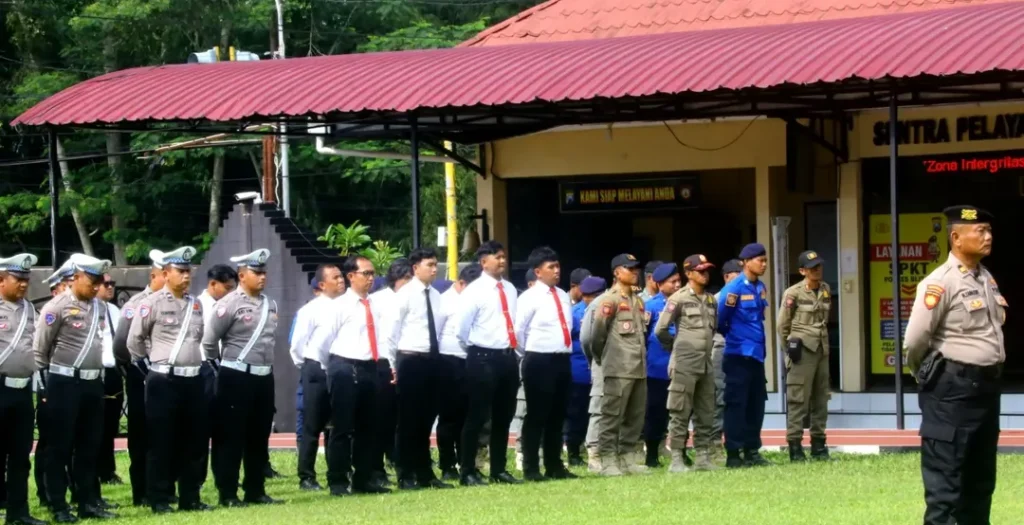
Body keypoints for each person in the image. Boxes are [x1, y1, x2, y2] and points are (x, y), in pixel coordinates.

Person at [904, 205, 1005, 525]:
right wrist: (926, 374)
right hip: (952, 391)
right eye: (980, 231)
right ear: (956, 238)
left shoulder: (985, 278)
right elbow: (915, 340)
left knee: (980, 480)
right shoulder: (940, 282)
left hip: (986, 389)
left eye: (989, 231)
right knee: (945, 484)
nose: (988, 237)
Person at [126, 246, 211, 513]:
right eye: (180, 271)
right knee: (161, 442)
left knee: (193, 442)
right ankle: (159, 498)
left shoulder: (195, 304)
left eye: (188, 271)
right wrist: (151, 371)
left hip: (192, 379)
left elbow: (198, 338)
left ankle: (190, 497)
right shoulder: (151, 303)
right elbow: (134, 342)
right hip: (164, 380)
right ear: (165, 274)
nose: (186, 276)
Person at [34, 254, 116, 522]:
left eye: (99, 283)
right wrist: (44, 387)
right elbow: (40, 351)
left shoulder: (99, 307)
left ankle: (86, 501)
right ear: (77, 277)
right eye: (92, 282)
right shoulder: (56, 307)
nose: (96, 288)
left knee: (89, 445)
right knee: (59, 446)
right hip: (64, 382)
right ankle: (58, 504)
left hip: (93, 383)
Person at [203, 249, 281, 507]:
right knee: (230, 437)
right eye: (256, 272)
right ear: (242, 275)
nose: (262, 277)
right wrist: (220, 369)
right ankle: (228, 493)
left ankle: (255, 489)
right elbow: (209, 341)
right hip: (236, 375)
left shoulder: (270, 304)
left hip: (263, 376)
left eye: (264, 272)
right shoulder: (229, 304)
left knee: (259, 436)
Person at [308, 255, 392, 496]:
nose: (371, 278)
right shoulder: (339, 306)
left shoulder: (375, 305)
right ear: (351, 276)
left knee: (368, 427)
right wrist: (334, 369)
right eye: (366, 273)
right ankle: (337, 480)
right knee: (342, 427)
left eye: (373, 273)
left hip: (370, 367)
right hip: (344, 367)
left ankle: (363, 479)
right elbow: (321, 344)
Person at [455, 241, 522, 486]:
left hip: (507, 356)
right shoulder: (474, 290)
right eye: (497, 257)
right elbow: (461, 330)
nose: (502, 261)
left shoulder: (510, 289)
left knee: (504, 415)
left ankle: (499, 469)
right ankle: (467, 470)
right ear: (484, 262)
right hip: (482, 357)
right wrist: (477, 350)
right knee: (477, 416)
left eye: (503, 257)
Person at [390, 248, 454, 490]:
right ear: (415, 268)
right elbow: (391, 332)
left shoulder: (437, 296)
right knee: (409, 420)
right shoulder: (405, 295)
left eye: (436, 264)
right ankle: (405, 474)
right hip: (410, 359)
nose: (434, 269)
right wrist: (391, 365)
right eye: (430, 265)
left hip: (432, 360)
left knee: (427, 420)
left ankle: (425, 473)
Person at [515, 247, 577, 482]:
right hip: (539, 358)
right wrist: (529, 353)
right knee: (536, 414)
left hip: (562, 358)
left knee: (557, 414)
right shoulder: (529, 297)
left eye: (558, 265)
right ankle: (531, 467)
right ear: (538, 272)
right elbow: (518, 331)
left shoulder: (562, 295)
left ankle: (554, 465)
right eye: (551, 267)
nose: (557, 270)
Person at [111, 250, 167, 507]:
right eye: (166, 274)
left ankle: (164, 487)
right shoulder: (136, 304)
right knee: (142, 434)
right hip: (143, 374)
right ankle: (142, 491)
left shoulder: (178, 302)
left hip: (168, 376)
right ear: (154, 276)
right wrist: (135, 367)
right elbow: (121, 345)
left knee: (166, 433)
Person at [656, 255, 720, 472]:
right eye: (700, 271)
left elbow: (713, 328)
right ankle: (676, 458)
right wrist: (676, 347)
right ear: (689, 273)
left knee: (706, 410)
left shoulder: (711, 300)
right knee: (680, 411)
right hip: (684, 363)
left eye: (706, 270)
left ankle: (703, 457)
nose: (705, 274)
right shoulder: (678, 298)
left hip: (705, 363)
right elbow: (661, 329)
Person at [589, 254, 648, 476]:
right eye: (629, 268)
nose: (635, 272)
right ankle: (608, 460)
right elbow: (596, 336)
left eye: (636, 268)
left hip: (638, 368)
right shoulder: (609, 300)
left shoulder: (638, 300)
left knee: (635, 416)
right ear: (616, 272)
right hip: (618, 367)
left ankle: (627, 457)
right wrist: (603, 359)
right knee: (612, 416)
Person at [0, 254, 46, 525]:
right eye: (18, 279)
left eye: (26, 279)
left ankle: (18, 513)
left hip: (22, 390)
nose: (24, 284)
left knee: (20, 455)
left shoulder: (30, 309)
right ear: (1, 280)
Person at [717, 243, 771, 468]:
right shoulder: (734, 288)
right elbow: (720, 319)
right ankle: (733, 453)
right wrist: (736, 337)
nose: (764, 264)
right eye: (760, 260)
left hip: (757, 355)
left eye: (765, 260)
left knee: (756, 404)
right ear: (746, 262)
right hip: (738, 354)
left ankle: (752, 451)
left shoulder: (760, 287)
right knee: (736, 404)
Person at [291, 266, 343, 491]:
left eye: (341, 276)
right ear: (322, 284)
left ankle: (338, 472)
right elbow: (297, 344)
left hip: (339, 369)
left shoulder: (347, 306)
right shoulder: (310, 310)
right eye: (335, 277)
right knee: (312, 425)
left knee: (337, 425)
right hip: (316, 368)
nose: (341, 281)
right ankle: (306, 476)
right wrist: (308, 367)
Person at [777, 250, 832, 462]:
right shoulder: (793, 293)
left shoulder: (825, 289)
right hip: (802, 351)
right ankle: (795, 446)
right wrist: (790, 350)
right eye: (812, 268)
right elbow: (782, 325)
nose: (817, 270)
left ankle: (819, 445)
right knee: (798, 399)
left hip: (821, 349)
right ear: (802, 271)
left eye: (819, 266)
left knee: (821, 398)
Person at [34, 262, 75, 511]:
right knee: (50, 441)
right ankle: (46, 492)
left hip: (70, 384)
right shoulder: (50, 313)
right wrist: (45, 387)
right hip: (50, 382)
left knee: (71, 440)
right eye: (67, 285)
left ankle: (75, 491)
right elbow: (40, 352)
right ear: (55, 289)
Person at [435, 264, 482, 481]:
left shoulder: (474, 299)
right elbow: (436, 334)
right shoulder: (444, 301)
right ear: (461, 283)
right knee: (449, 417)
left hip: (471, 360)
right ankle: (447, 464)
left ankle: (467, 463)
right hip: (448, 361)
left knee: (469, 416)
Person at [369, 259, 411, 487]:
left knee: (402, 418)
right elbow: (383, 337)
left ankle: (401, 462)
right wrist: (391, 365)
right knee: (381, 420)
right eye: (406, 279)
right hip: (384, 364)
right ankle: (377, 469)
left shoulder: (413, 299)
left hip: (407, 362)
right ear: (396, 280)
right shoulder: (378, 301)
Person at [642, 263, 682, 468]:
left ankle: (679, 452)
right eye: (672, 282)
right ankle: (651, 454)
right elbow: (643, 336)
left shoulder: (685, 302)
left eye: (679, 281)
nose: (677, 285)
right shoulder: (650, 306)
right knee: (655, 412)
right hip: (657, 368)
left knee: (681, 412)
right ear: (659, 284)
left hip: (681, 366)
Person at [565, 271, 597, 467]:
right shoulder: (575, 313)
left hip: (598, 370)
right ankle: (573, 451)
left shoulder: (603, 309)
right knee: (576, 412)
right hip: (578, 371)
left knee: (593, 413)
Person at [711, 259, 742, 449]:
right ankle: (714, 441)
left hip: (740, 350)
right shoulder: (716, 299)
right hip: (721, 349)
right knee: (720, 396)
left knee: (739, 396)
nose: (740, 280)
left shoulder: (747, 296)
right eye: (736, 276)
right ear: (726, 277)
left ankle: (736, 441)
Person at [579, 276, 608, 473]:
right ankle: (594, 453)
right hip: (603, 360)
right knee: (599, 406)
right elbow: (586, 338)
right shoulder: (599, 304)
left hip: (619, 363)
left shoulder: (628, 300)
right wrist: (595, 360)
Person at [97, 273, 123, 487]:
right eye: (106, 284)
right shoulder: (89, 310)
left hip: (113, 372)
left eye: (112, 283)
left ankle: (107, 470)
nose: (110, 287)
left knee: (111, 424)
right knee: (95, 424)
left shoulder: (113, 310)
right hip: (96, 372)